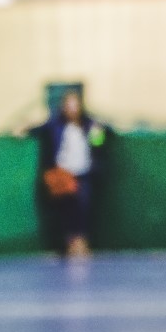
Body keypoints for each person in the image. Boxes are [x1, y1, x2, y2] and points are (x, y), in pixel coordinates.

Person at [29, 90, 110, 259]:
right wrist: (23, 129)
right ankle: (70, 245)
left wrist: (100, 133)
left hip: (84, 174)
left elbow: (100, 142)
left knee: (84, 210)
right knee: (67, 213)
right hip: (64, 176)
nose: (72, 109)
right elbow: (39, 129)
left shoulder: (90, 125)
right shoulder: (56, 125)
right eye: (69, 106)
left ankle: (82, 244)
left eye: (75, 105)